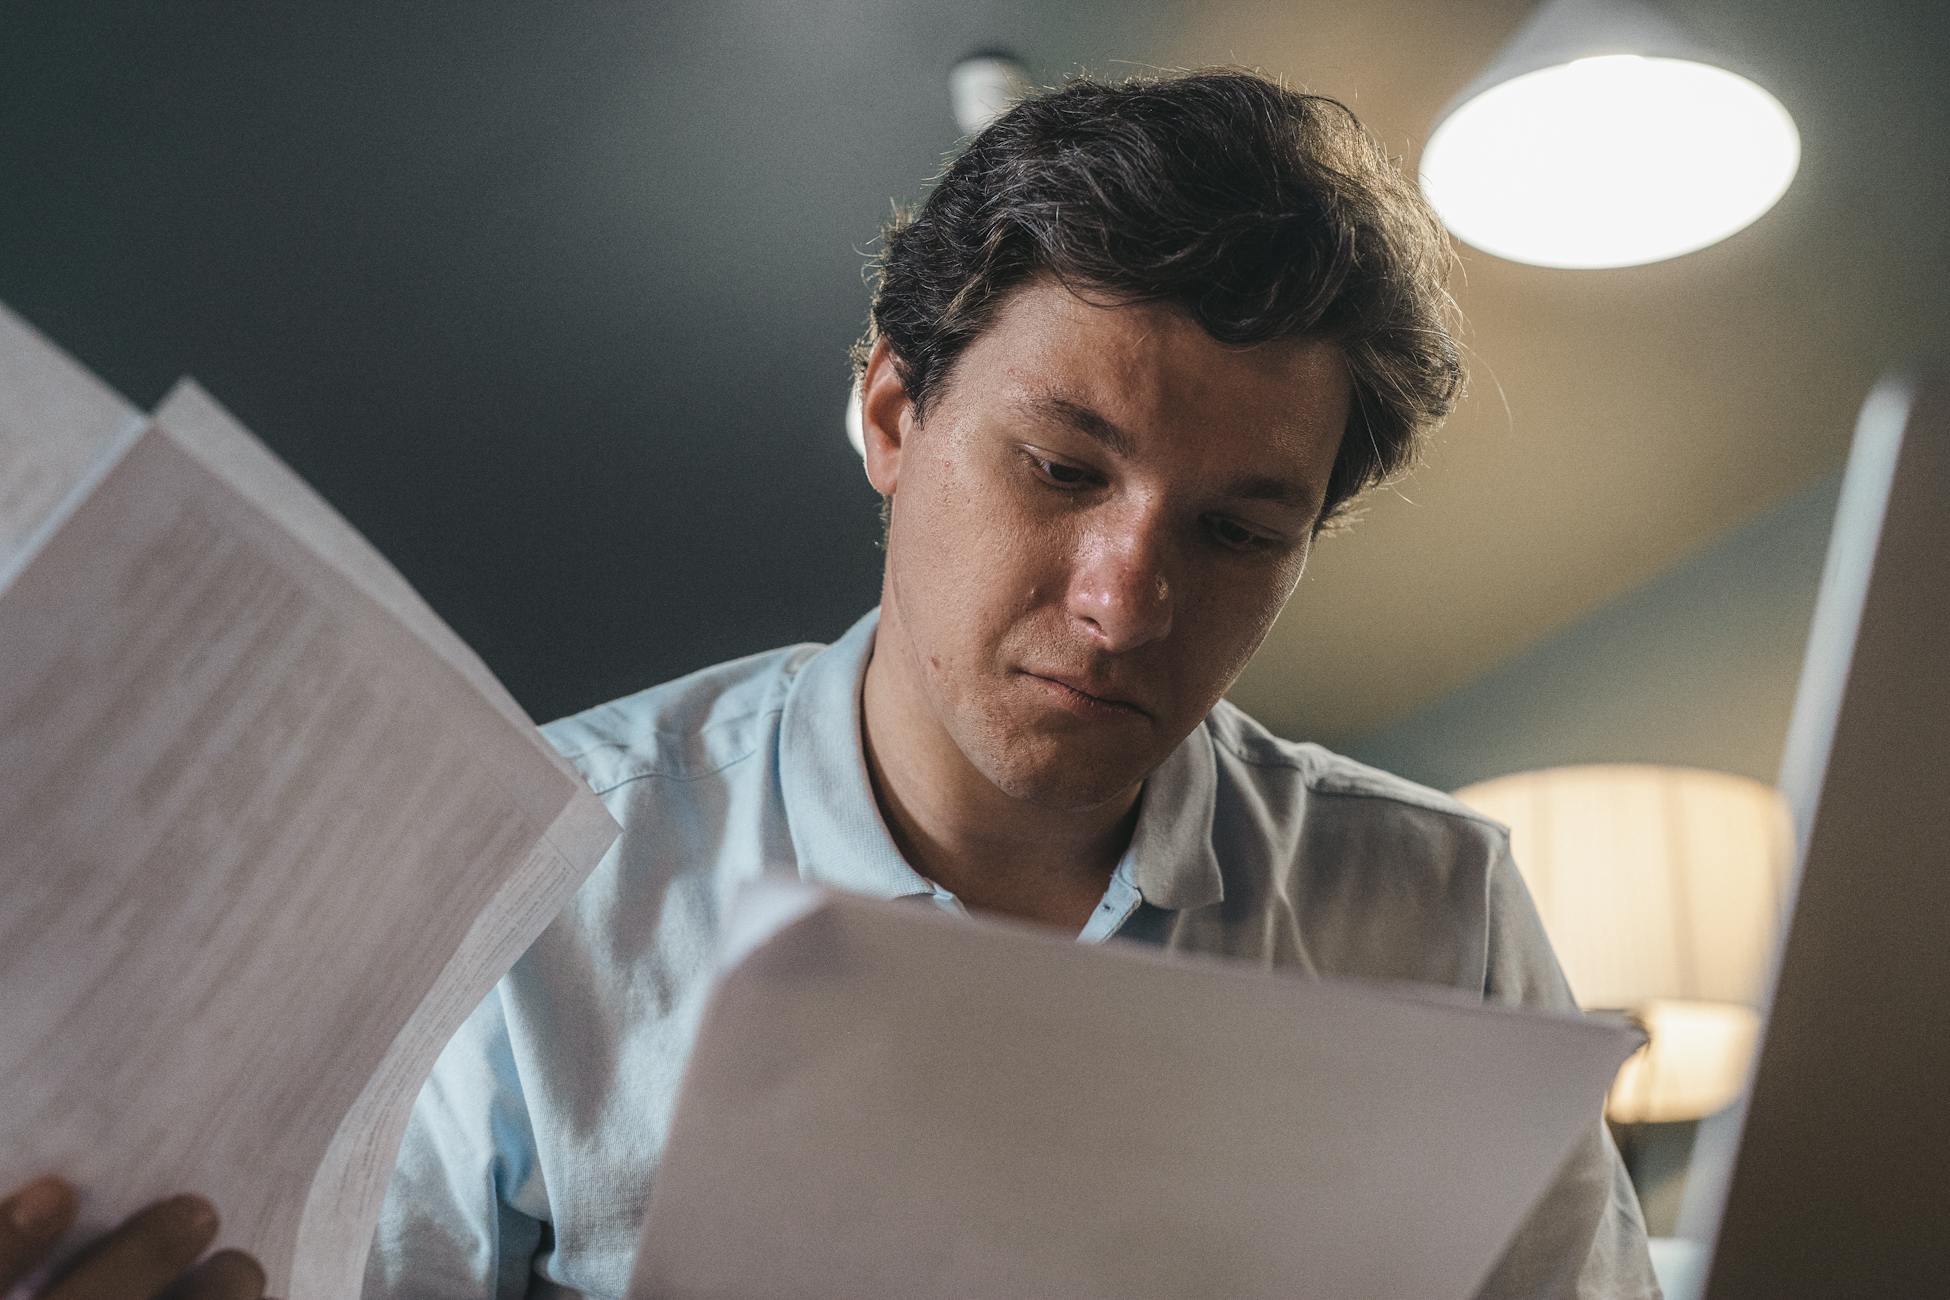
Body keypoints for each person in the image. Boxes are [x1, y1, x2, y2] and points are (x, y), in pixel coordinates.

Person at [7, 69, 1659, 1300]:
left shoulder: (1435, 908)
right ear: (887, 413)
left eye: (1237, 530)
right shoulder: (536, 879)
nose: (1125, 602)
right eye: (1061, 470)